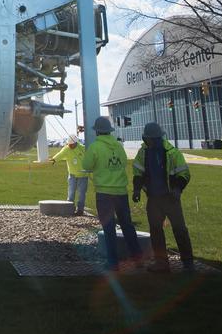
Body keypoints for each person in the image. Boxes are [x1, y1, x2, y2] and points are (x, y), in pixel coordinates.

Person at [81, 116, 142, 271]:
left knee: (109, 228)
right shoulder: (118, 146)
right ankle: (138, 257)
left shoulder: (95, 147)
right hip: (121, 191)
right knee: (127, 226)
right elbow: (122, 162)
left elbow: (86, 165)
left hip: (104, 192)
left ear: (97, 132)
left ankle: (113, 262)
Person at [133, 123, 195, 273]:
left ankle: (188, 262)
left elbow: (184, 174)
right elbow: (138, 173)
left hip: (170, 199)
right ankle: (161, 263)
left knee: (180, 229)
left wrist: (178, 189)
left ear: (156, 138)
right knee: (156, 231)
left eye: (149, 138)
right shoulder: (143, 153)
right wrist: (137, 190)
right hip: (153, 199)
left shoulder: (172, 153)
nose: (147, 141)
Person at [49, 137, 89, 215]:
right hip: (72, 175)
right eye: (69, 144)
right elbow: (60, 155)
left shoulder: (83, 148)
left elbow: (90, 156)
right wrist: (54, 159)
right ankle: (69, 209)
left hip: (83, 175)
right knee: (71, 193)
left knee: (81, 194)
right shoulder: (66, 149)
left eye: (72, 144)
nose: (70, 146)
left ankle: (80, 210)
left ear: (76, 143)